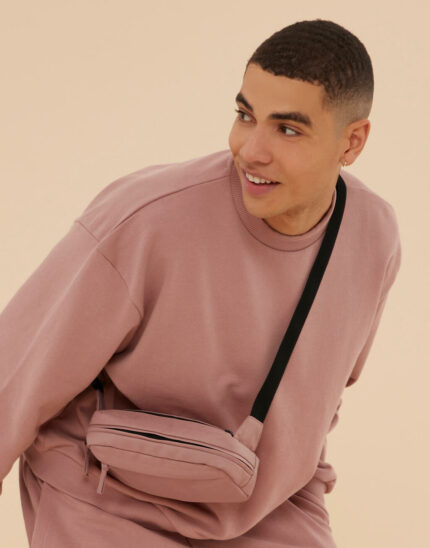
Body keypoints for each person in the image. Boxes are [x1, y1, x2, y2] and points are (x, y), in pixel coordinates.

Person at [0, 18, 401, 547]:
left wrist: (305, 497)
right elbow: (15, 372)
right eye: (245, 116)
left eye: (287, 129)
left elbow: (319, 401)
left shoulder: (372, 236)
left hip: (259, 507)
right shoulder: (149, 218)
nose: (251, 150)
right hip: (106, 492)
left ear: (352, 141)